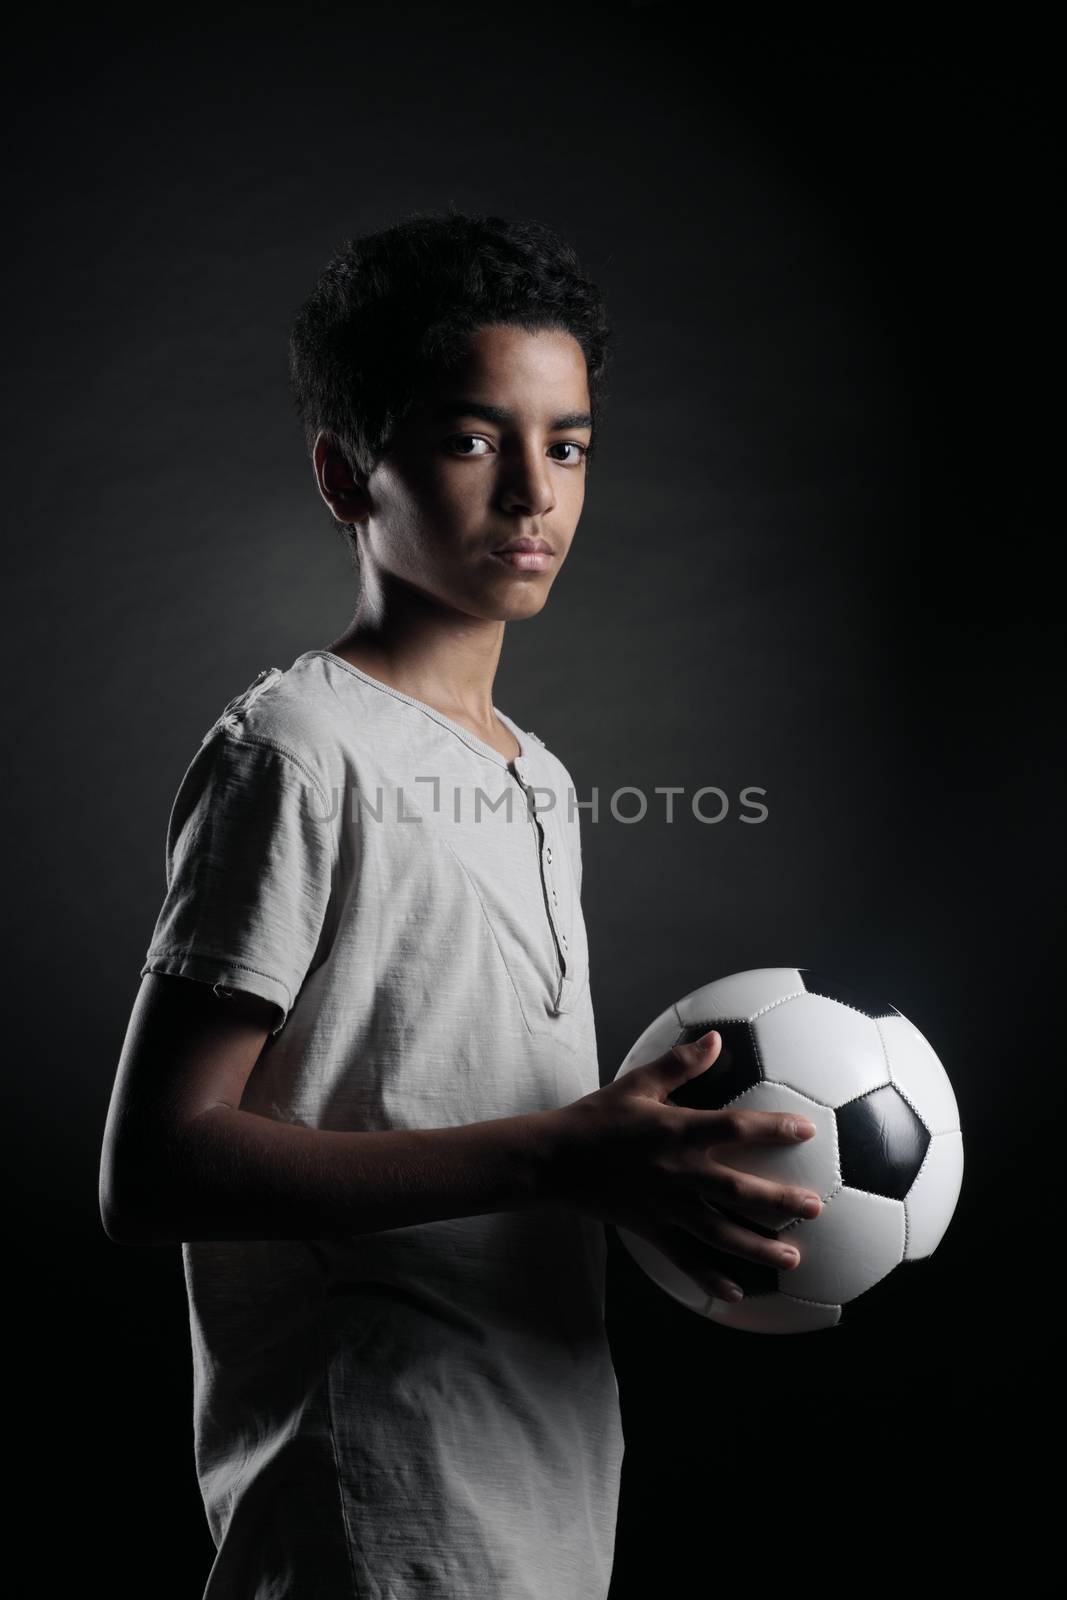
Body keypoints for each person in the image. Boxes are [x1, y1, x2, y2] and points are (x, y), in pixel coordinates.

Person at [99, 208, 825, 1599]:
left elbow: (481, 1111)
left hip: (546, 1503)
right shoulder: (296, 750)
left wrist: (657, 1178)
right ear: (344, 473)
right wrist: (558, 1157)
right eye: (471, 439)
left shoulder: (540, 779)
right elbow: (155, 1168)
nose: (533, 496)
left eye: (567, 447)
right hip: (373, 1514)